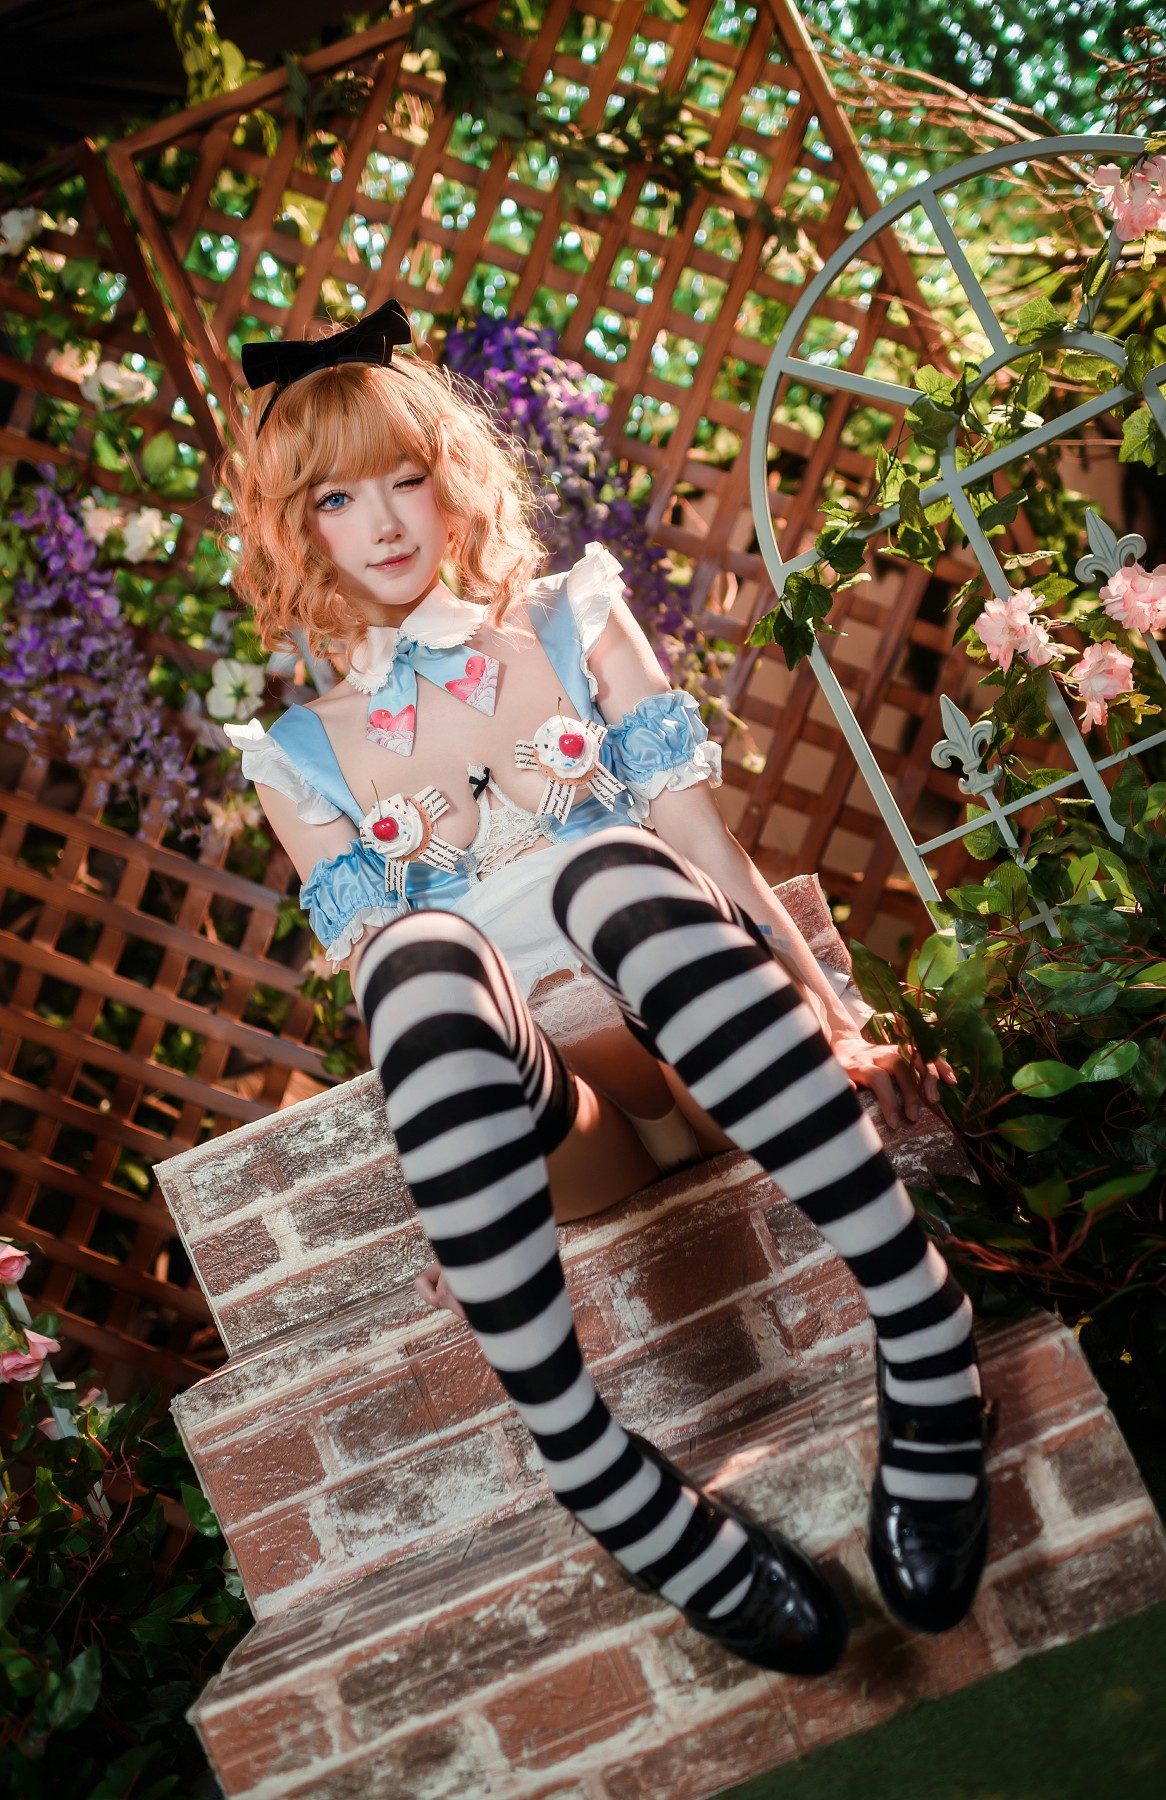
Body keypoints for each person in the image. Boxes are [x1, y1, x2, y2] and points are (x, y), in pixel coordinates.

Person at [223, 299, 994, 1675]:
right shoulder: (298, 756)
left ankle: (921, 1321)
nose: (384, 523)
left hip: (697, 1037)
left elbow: (709, 850)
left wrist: (829, 1006)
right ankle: (591, 1467)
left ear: (454, 478)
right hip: (549, 1119)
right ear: (300, 529)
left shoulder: (573, 620)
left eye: (405, 478)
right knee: (411, 955)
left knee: (611, 866)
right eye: (339, 498)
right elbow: (403, 1017)